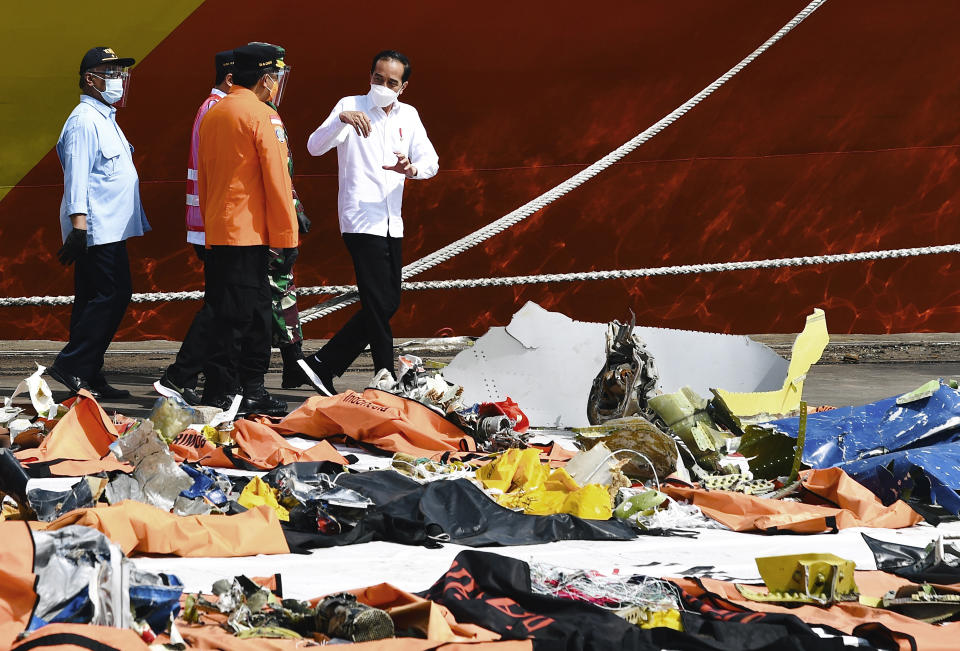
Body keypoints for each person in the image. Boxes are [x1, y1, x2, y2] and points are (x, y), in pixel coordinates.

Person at [299, 49, 439, 396]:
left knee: (388, 302)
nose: (383, 85)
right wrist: (341, 120)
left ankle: (322, 364)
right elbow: (314, 147)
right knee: (379, 302)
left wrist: (413, 169)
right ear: (370, 76)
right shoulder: (351, 105)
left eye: (391, 82)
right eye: (378, 78)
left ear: (403, 86)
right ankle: (383, 374)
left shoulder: (409, 114)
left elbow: (431, 160)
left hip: (393, 221)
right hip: (361, 219)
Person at [196, 43, 298, 416]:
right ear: (265, 78)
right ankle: (241, 390)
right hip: (251, 233)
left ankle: (229, 388)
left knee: (228, 313)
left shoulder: (214, 112)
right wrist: (287, 237)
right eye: (277, 76)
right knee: (251, 317)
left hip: (220, 231)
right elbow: (277, 179)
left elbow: (203, 178)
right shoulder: (262, 115)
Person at [47, 47, 150, 400]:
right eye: (111, 72)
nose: (118, 80)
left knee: (92, 298)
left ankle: (89, 373)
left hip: (110, 227)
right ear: (90, 78)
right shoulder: (83, 121)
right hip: (96, 228)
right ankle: (73, 365)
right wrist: (78, 226)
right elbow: (76, 175)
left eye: (120, 72)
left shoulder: (104, 118)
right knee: (113, 294)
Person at [155, 50, 234, 406]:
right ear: (231, 79)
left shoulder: (211, 107)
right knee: (219, 305)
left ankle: (201, 377)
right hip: (212, 225)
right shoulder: (217, 110)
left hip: (208, 223)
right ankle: (180, 374)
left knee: (222, 303)